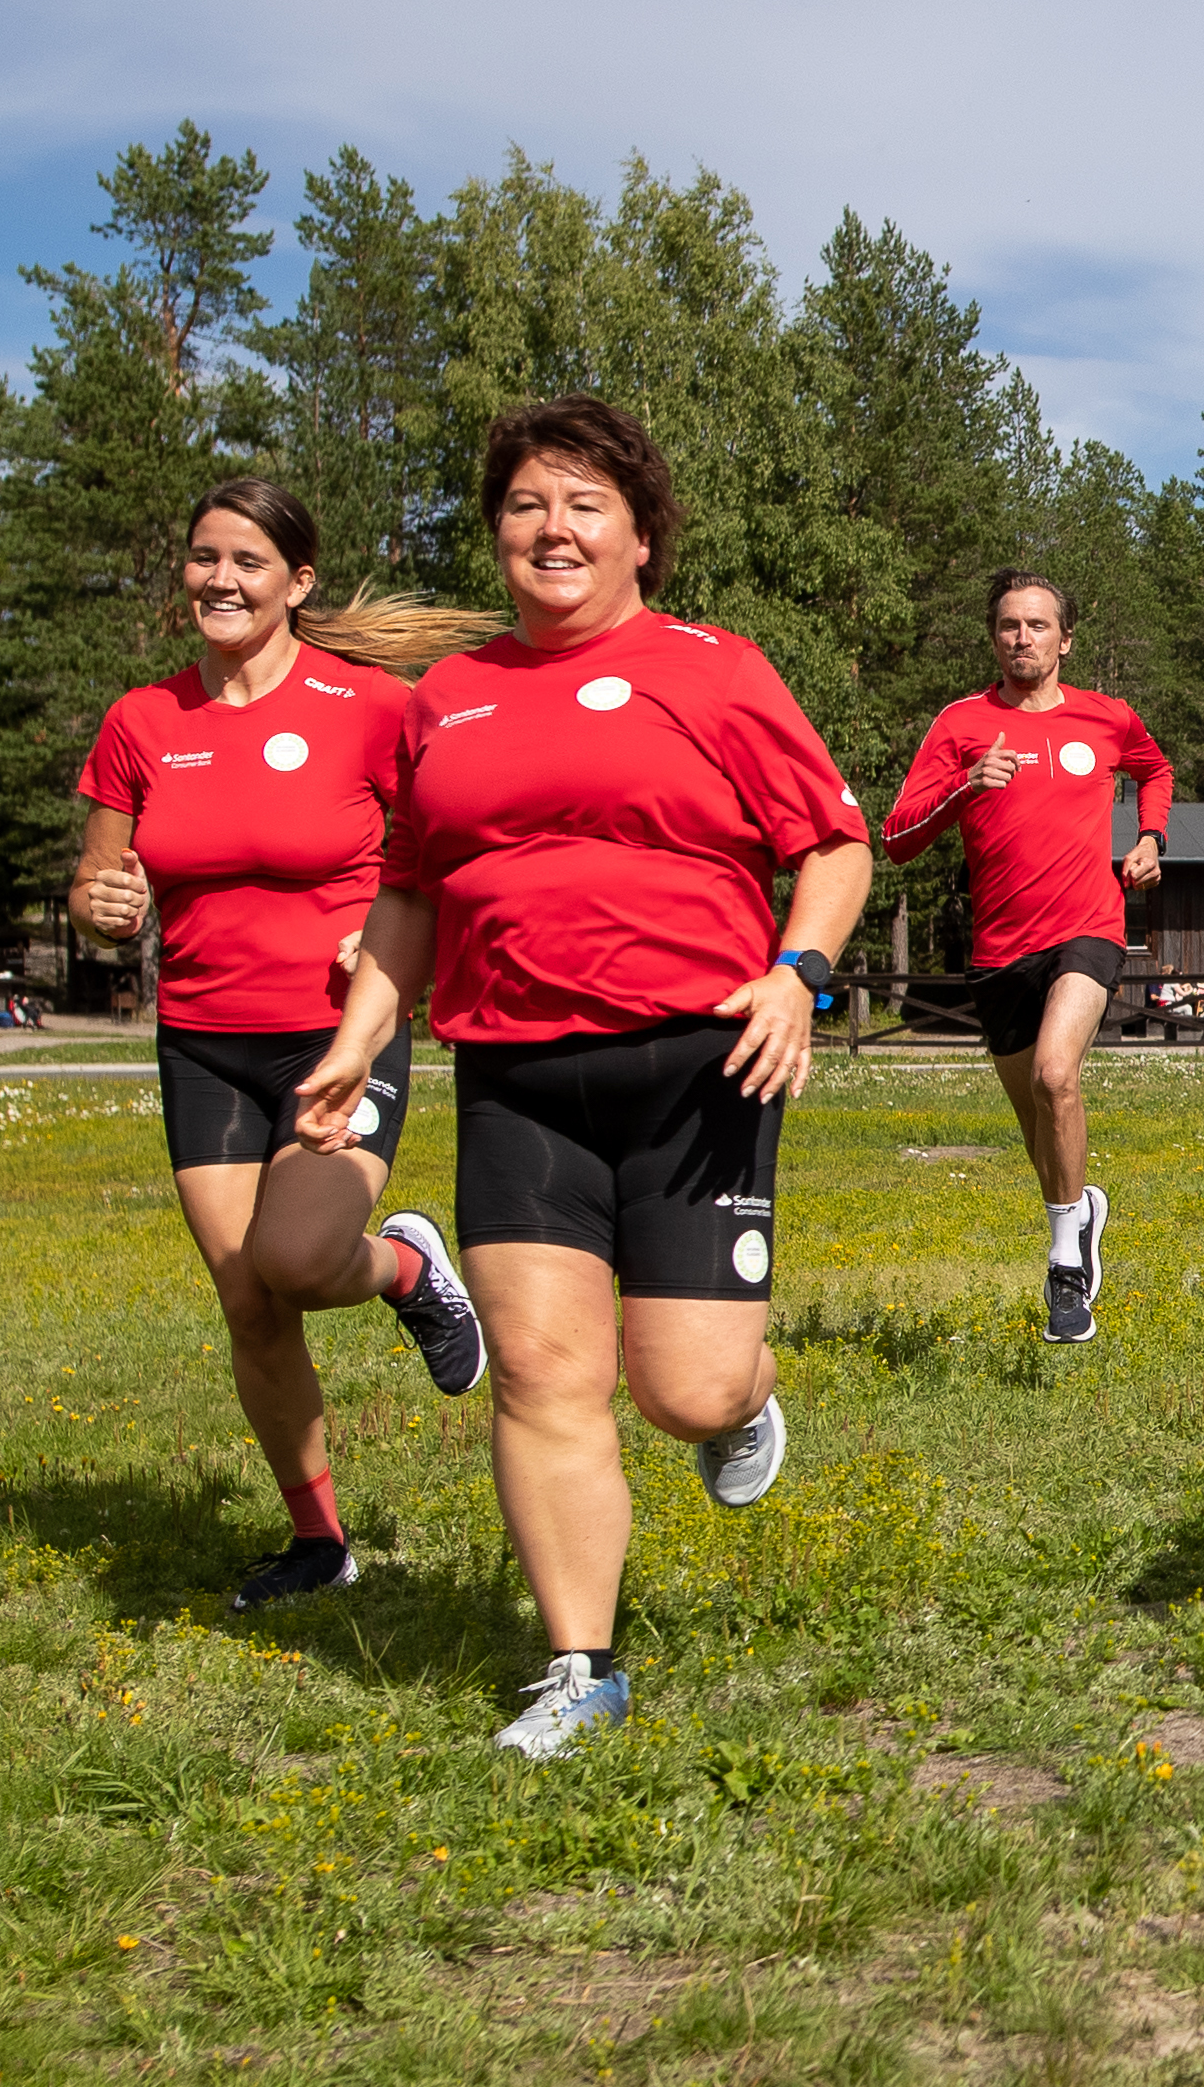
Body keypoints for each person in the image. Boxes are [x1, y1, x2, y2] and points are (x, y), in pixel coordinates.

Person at [294, 396, 872, 1761]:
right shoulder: (448, 698)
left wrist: (800, 969)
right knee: (546, 1373)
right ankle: (579, 1666)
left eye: (583, 504)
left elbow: (834, 843)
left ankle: (743, 1389)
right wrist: (359, 1034)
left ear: (641, 538)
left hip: (698, 1062)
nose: (551, 528)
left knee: (681, 1388)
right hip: (517, 1075)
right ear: (496, 532)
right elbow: (413, 888)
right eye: (524, 505)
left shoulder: (716, 668)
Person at [71, 479, 496, 1612]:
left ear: (297, 582)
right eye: (204, 556)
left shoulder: (367, 707)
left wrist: (387, 938)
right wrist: (100, 904)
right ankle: (319, 1538)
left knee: (301, 1261)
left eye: (248, 561)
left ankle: (406, 1268)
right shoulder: (142, 720)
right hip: (202, 1039)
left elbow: (446, 853)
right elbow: (98, 875)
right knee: (248, 1298)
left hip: (336, 1032)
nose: (221, 579)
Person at [878, 571, 1171, 1346]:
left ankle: (1065, 1263)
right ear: (993, 637)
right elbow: (899, 837)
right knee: (1038, 1130)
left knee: (1055, 1074)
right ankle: (1082, 1211)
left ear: (1065, 639)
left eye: (1038, 625)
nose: (1023, 638)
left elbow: (1156, 769)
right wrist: (966, 784)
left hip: (1088, 926)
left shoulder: (1106, 718)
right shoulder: (961, 724)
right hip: (1000, 949)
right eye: (1009, 625)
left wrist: (1150, 838)